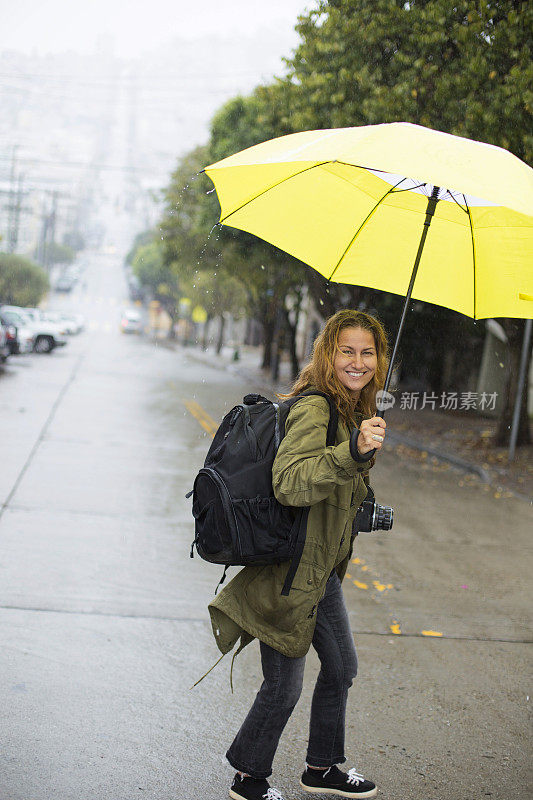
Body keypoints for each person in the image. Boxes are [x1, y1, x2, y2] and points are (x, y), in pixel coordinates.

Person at [208, 309, 389, 800]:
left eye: (367, 352)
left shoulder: (353, 410)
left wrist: (363, 500)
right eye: (346, 350)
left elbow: (333, 488)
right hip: (288, 572)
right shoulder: (316, 407)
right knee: (284, 687)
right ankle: (249, 778)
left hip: (319, 571)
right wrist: (351, 452)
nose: (357, 361)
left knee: (341, 667)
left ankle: (322, 766)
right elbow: (290, 483)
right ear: (328, 354)